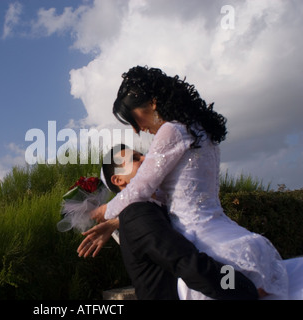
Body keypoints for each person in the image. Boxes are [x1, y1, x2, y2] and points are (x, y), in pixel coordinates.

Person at [90, 66, 289, 299]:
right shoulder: (199, 130)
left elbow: (141, 188)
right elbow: (168, 195)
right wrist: (117, 221)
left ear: (153, 103)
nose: (137, 129)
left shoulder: (171, 131)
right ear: (116, 179)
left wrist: (106, 209)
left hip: (206, 246)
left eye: (134, 119)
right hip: (233, 238)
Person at [78, 144, 260, 300]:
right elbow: (189, 263)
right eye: (135, 159)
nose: (145, 158)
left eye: (142, 153)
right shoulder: (137, 213)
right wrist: (245, 288)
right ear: (118, 179)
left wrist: (114, 222)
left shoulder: (154, 207)